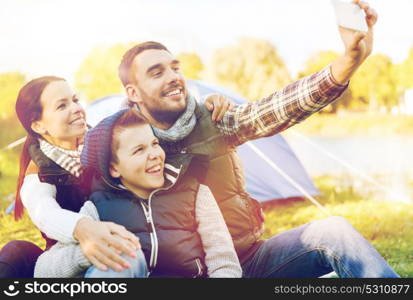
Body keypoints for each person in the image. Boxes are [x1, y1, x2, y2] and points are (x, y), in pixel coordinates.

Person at [0, 76, 233, 277]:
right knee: (16, 252)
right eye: (62, 106)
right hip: (72, 257)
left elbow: (137, 120)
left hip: (127, 249)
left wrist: (204, 108)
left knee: (123, 258)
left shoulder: (102, 143)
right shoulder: (38, 171)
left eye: (75, 100)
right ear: (38, 125)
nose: (76, 109)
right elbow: (46, 214)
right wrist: (84, 230)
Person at [34, 109, 242, 278]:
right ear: (114, 168)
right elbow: (43, 271)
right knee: (121, 259)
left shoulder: (196, 193)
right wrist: (86, 252)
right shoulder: (96, 208)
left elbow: (224, 263)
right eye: (139, 150)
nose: (155, 155)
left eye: (154, 144)